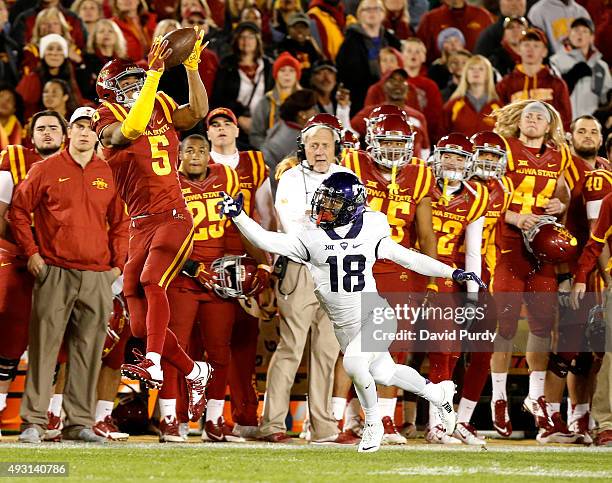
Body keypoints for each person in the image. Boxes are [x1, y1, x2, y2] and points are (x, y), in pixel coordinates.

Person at [219, 171, 487, 452]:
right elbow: (266, 240)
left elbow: (409, 258)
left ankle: (374, 424)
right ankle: (438, 392)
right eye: (325, 201)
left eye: (333, 203)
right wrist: (238, 217)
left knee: (355, 364)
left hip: (375, 313)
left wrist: (453, 272)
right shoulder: (310, 237)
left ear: (351, 207)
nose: (324, 208)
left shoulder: (372, 228)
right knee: (383, 372)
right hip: (344, 324)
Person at [91, 32, 212, 422]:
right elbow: (131, 130)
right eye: (124, 85)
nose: (133, 88)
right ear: (108, 91)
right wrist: (156, 77)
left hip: (173, 214)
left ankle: (154, 364)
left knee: (152, 280)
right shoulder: (105, 117)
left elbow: (196, 114)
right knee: (140, 321)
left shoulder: (157, 98)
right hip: (139, 222)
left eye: (136, 82)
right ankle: (194, 371)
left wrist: (190, 69)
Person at [11, 107, 128, 443]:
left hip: (96, 275)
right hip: (55, 270)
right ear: (68, 133)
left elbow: (120, 223)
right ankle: (33, 421)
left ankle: (79, 422)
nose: (85, 133)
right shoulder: (45, 168)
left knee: (89, 351)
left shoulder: (107, 172)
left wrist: (117, 266)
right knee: (44, 349)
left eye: (91, 128)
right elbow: (19, 211)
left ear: (96, 135)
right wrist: (32, 253)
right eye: (78, 126)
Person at [341, 113, 437, 444]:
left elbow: (425, 233)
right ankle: (346, 417)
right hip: (358, 264)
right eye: (388, 142)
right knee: (355, 347)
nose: (394, 150)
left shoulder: (419, 174)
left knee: (395, 346)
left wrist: (432, 277)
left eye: (400, 143)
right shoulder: (352, 161)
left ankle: (384, 417)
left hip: (398, 270)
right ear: (372, 143)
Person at [490, 100, 574, 443]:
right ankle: (497, 398)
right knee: (505, 323)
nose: (535, 119)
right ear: (519, 121)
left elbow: (564, 194)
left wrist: (562, 203)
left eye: (541, 115)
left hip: (541, 245)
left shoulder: (559, 154)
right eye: (529, 115)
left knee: (542, 321)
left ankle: (535, 394)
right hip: (508, 241)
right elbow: (490, 196)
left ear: (549, 123)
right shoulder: (504, 149)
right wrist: (514, 217)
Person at [157, 135, 239, 442]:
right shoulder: (167, 183)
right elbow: (159, 236)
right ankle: (169, 418)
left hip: (218, 278)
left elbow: (238, 225)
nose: (195, 155)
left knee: (220, 352)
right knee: (174, 350)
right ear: (178, 155)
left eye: (201, 150)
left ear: (210, 155)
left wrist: (258, 264)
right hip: (180, 276)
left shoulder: (226, 177)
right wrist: (192, 267)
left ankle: (215, 420)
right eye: (189, 150)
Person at [205, 107, 274, 439]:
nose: (220, 129)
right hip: (207, 260)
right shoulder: (196, 162)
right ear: (207, 134)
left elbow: (267, 216)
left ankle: (246, 416)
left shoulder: (256, 163)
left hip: (246, 260)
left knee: (245, 342)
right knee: (204, 342)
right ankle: (198, 415)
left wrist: (268, 262)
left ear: (236, 130)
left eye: (226, 124)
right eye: (214, 125)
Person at [0, 110, 65, 437]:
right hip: (19, 257)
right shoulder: (13, 159)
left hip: (62, 261)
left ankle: (49, 416)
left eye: (54, 127)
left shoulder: (77, 165)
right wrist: (23, 248)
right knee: (10, 335)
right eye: (41, 128)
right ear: (30, 133)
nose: (48, 133)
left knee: (58, 339)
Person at [549, 115, 610, 444]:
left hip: (594, 270)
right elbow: (594, 235)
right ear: (571, 136)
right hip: (575, 268)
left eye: (594, 130)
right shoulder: (564, 167)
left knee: (594, 349)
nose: (588, 135)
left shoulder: (603, 167)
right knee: (571, 347)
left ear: (601, 140)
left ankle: (581, 417)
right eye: (582, 130)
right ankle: (564, 418)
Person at [425, 133, 488, 444]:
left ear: (469, 163)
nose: (453, 162)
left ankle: (438, 423)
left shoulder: (477, 196)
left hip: (446, 275)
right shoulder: (420, 182)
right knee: (389, 347)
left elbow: (473, 251)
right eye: (448, 155)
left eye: (460, 157)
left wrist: (473, 296)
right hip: (408, 268)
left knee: (447, 351)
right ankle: (372, 417)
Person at [454, 131, 514, 444]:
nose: (489, 162)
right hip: (447, 270)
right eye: (484, 154)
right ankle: (435, 418)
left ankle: (462, 419)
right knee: (440, 350)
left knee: (482, 348)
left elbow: (494, 240)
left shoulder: (503, 188)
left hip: (481, 273)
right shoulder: (453, 185)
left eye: (494, 156)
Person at [211, 22, 274, 148]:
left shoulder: (268, 66)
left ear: (258, 40)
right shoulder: (227, 65)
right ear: (236, 40)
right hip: (234, 123)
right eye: (242, 37)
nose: (246, 41)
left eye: (250, 37)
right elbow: (218, 97)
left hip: (264, 124)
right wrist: (239, 117)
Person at [496, 29, 573, 131]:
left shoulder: (556, 84)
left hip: (548, 143)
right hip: (515, 143)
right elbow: (500, 118)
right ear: (519, 49)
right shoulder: (505, 84)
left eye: (536, 46)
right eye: (526, 45)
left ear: (545, 51)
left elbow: (565, 120)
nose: (530, 50)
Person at [336, 0, 401, 116]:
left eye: (376, 9)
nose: (372, 13)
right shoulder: (350, 42)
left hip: (390, 97)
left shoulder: (392, 40)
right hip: (360, 101)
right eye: (367, 9)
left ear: (383, 13)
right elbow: (346, 74)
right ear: (360, 14)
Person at [549, 17, 612, 119]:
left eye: (585, 31)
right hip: (565, 122)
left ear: (592, 37)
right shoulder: (555, 61)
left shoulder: (601, 66)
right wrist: (570, 78)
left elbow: (606, 100)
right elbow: (552, 94)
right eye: (576, 30)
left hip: (592, 124)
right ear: (569, 34)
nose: (580, 34)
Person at [250, 52, 302, 149]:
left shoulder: (307, 101)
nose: (287, 74)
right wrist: (268, 150)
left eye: (291, 70)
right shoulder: (265, 102)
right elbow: (255, 135)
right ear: (276, 75)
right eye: (282, 70)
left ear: (297, 75)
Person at [415, 0, 493, 64]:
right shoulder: (430, 19)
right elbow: (419, 54)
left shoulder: (483, 16)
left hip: (478, 75)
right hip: (439, 78)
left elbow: (493, 51)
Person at [442, 55, 501, 137]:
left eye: (481, 69)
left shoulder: (498, 107)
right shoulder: (452, 105)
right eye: (471, 68)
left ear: (488, 75)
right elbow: (441, 135)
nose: (475, 72)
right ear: (466, 74)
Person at [261, 89, 318, 170]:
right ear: (302, 114)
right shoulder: (295, 139)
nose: (315, 112)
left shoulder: (283, 125)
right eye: (312, 108)